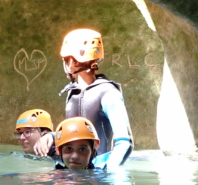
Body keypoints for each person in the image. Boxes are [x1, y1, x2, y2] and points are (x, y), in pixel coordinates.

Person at [34, 28, 133, 169]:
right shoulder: (72, 92)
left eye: (66, 59)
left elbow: (124, 142)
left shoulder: (108, 93)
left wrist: (106, 172)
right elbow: (77, 133)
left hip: (99, 171)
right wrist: (53, 136)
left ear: (72, 62)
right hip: (76, 168)